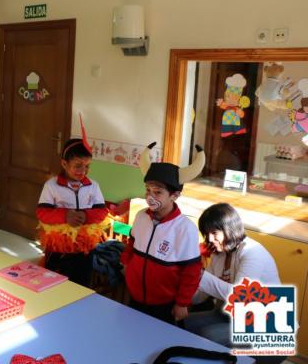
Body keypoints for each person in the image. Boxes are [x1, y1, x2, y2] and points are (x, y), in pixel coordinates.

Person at [186, 203, 282, 363]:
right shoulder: (219, 254)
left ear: (230, 229)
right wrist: (181, 293)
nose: (209, 239)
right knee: (182, 323)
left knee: (209, 335)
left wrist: (198, 274)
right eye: (206, 233)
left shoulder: (253, 252)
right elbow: (199, 297)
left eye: (214, 233)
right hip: (230, 318)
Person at [121, 142, 205, 325]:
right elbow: (132, 242)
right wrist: (126, 264)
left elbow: (192, 271)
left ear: (174, 196)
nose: (150, 196)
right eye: (148, 190)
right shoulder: (141, 216)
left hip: (164, 305)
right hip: (135, 297)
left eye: (158, 192)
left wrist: (182, 303)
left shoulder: (185, 229)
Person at [36, 138, 111, 287]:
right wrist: (65, 215)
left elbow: (102, 211)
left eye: (87, 166)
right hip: (58, 248)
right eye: (78, 166)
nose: (83, 171)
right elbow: (42, 213)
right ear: (64, 164)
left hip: (85, 249)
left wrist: (86, 215)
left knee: (81, 284)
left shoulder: (93, 186)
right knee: (55, 284)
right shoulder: (51, 186)